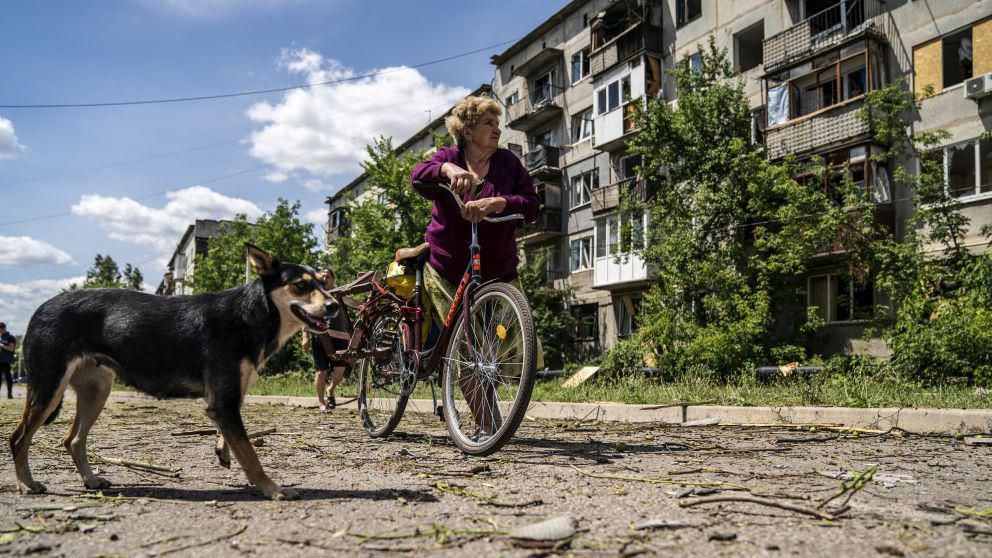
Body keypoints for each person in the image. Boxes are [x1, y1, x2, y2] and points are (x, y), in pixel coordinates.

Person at [409, 95, 543, 434]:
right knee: (467, 347)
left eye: (497, 124)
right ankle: (487, 424)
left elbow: (531, 203)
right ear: (467, 131)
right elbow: (418, 176)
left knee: (510, 348)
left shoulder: (509, 163)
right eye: (488, 123)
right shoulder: (450, 156)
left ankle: (485, 403)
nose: (497, 129)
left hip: (498, 268)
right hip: (449, 269)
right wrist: (448, 170)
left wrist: (499, 202)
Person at [301, 269, 349, 412]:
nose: (324, 278)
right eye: (322, 276)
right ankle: (322, 403)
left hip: (340, 337)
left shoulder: (340, 294)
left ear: (333, 279)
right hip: (320, 337)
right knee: (321, 372)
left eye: (327, 276)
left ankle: (331, 389)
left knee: (340, 372)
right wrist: (304, 337)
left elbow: (347, 317)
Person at [0, 322, 16, 399]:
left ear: (3, 328)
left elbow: (11, 348)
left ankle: (9, 394)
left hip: (6, 361)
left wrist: (1, 345)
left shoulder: (10, 337)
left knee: (8, 378)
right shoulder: (0, 336)